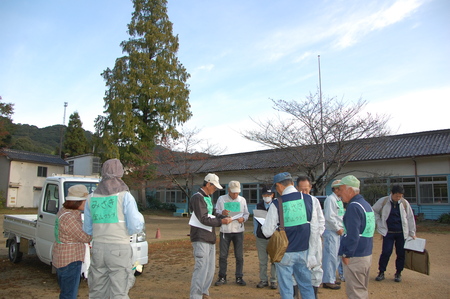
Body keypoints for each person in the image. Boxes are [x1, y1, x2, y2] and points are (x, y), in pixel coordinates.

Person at [83, 158, 145, 299]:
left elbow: (87, 229)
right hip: (119, 248)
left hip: (98, 247)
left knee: (97, 290)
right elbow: (135, 225)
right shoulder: (125, 196)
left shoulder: (91, 197)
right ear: (120, 173)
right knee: (119, 291)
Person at [262, 172, 318, 299]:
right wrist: (313, 253)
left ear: (279, 186)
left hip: (285, 252)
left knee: (287, 288)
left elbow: (267, 232)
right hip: (304, 250)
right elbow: (314, 228)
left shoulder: (277, 203)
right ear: (292, 184)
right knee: (306, 285)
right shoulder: (309, 199)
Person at [189, 173, 232, 299]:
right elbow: (203, 218)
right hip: (200, 236)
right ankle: (195, 295)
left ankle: (204, 292)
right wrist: (221, 222)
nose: (215, 190)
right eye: (214, 187)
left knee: (209, 268)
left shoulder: (207, 197)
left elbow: (211, 213)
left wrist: (222, 216)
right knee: (201, 267)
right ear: (208, 184)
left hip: (209, 236)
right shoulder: (197, 198)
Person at [337, 175, 375, 299]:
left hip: (356, 255)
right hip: (366, 252)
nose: (339, 193)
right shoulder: (366, 205)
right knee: (361, 288)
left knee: (355, 292)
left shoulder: (353, 207)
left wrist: (347, 254)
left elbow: (353, 235)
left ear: (350, 190)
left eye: (341, 190)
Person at [52, 184, 93, 299]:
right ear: (78, 202)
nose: (87, 204)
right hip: (70, 260)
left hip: (63, 258)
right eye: (85, 201)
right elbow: (86, 237)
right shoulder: (69, 218)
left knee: (66, 291)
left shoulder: (65, 212)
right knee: (69, 294)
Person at [372, 185, 416, 283]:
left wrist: (412, 233)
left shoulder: (404, 203)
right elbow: (373, 210)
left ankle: (398, 273)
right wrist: (379, 222)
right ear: (391, 193)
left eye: (400, 196)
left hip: (401, 233)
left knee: (401, 253)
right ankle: (381, 272)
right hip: (388, 232)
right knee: (386, 252)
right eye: (397, 196)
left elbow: (410, 218)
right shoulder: (383, 201)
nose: (398, 198)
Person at [214, 180, 250, 286]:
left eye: (237, 192)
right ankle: (222, 277)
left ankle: (239, 277)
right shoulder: (221, 199)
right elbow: (215, 212)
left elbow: (247, 213)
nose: (235, 195)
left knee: (239, 255)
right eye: (233, 192)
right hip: (225, 230)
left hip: (238, 231)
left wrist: (243, 219)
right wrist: (222, 212)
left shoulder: (242, 200)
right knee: (223, 255)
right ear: (228, 190)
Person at [296, 176, 325, 298]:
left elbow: (321, 220)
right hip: (297, 241)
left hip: (314, 240)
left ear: (311, 188)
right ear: (296, 188)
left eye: (306, 190)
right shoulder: (294, 202)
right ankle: (295, 294)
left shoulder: (315, 201)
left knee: (316, 266)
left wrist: (317, 234)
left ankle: (314, 294)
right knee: (296, 267)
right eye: (301, 190)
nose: (304, 193)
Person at [253, 184, 277, 289]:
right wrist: (256, 233)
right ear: (262, 195)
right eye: (265, 194)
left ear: (273, 195)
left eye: (269, 194)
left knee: (274, 260)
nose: (267, 196)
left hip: (273, 237)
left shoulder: (276, 205)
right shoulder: (259, 206)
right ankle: (263, 280)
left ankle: (274, 280)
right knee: (262, 260)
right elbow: (255, 221)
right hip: (261, 237)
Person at [322, 180, 345, 290]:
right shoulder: (331, 200)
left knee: (336, 257)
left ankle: (331, 277)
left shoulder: (339, 200)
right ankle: (328, 280)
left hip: (337, 232)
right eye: (341, 188)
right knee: (330, 256)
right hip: (332, 232)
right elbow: (329, 217)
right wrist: (337, 228)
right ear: (336, 189)